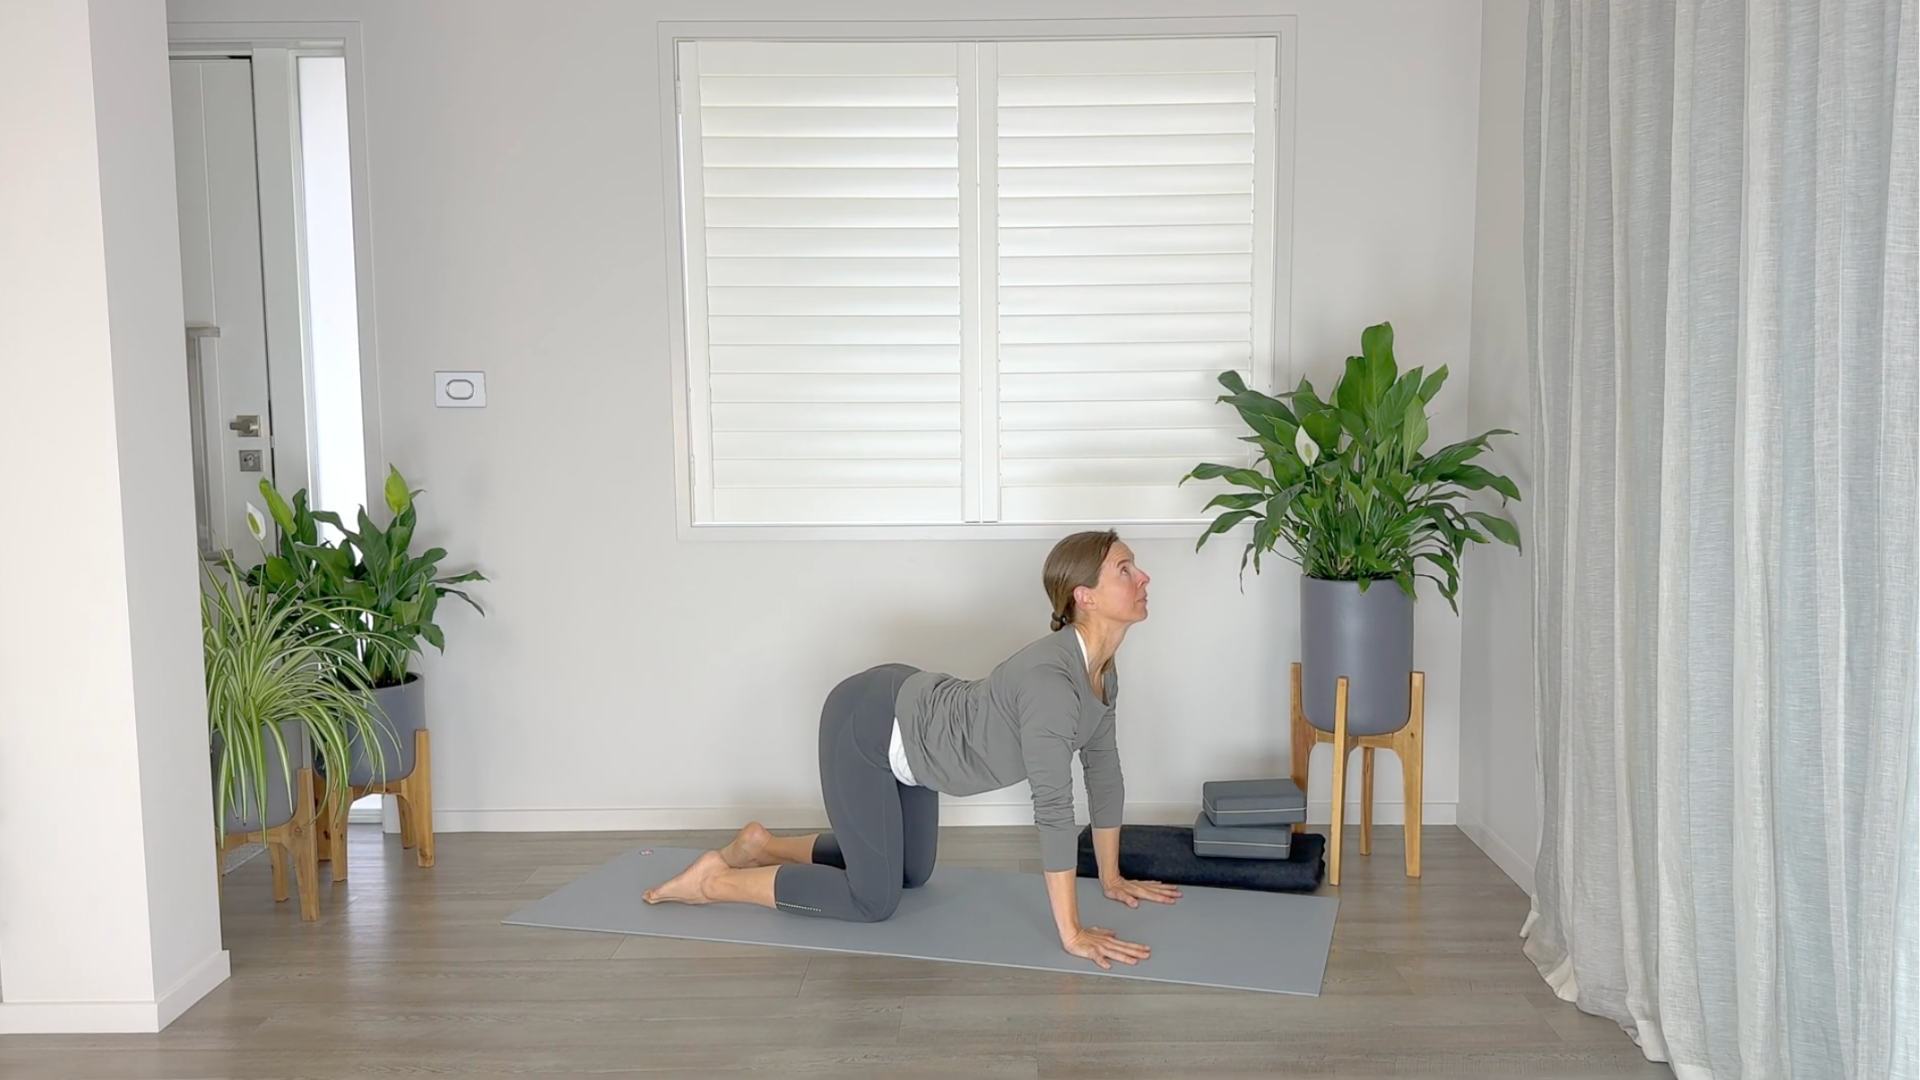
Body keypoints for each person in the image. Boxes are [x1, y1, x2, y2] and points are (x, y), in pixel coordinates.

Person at [642, 529, 1181, 969]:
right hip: (870, 724)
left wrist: (1110, 880)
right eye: (1125, 569)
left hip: (917, 729)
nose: (1143, 577)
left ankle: (762, 845)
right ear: (1083, 596)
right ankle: (716, 881)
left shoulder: (1101, 675)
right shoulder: (1051, 681)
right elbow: (1054, 809)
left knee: (911, 872)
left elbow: (1104, 774)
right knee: (873, 899)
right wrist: (1073, 932)